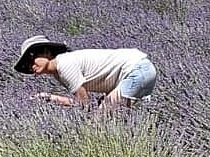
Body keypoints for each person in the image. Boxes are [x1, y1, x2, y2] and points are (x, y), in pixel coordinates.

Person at [16, 35, 158, 109]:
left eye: (32, 58)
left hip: (136, 70)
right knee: (118, 120)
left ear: (46, 52)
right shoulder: (59, 72)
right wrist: (49, 98)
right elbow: (81, 104)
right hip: (139, 70)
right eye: (27, 64)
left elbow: (85, 105)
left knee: (101, 120)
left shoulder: (64, 65)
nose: (31, 66)